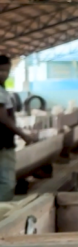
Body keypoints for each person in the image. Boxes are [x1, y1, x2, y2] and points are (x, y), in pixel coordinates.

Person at [0, 55, 36, 201]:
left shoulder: (4, 90)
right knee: (6, 182)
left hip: (4, 142)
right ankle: (3, 217)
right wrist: (23, 135)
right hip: (2, 143)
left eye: (7, 70)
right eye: (1, 70)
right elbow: (2, 117)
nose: (4, 74)